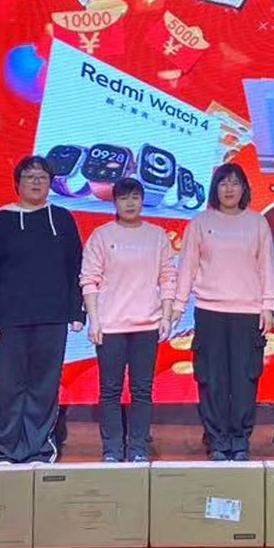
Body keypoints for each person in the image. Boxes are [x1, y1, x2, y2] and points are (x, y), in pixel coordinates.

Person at [0, 156, 84, 463]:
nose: (36, 182)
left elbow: (77, 266)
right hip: (9, 322)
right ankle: (4, 451)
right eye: (29, 176)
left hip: (53, 320)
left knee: (44, 387)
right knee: (8, 387)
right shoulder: (2, 219)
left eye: (42, 177)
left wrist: (77, 312)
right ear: (17, 183)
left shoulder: (62, 218)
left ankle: (39, 449)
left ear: (51, 183)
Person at [174, 163, 274, 462]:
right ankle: (217, 439)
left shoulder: (257, 223)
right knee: (212, 379)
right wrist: (178, 307)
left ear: (244, 188)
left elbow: (266, 266)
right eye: (223, 183)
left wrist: (268, 306)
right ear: (214, 188)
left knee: (245, 379)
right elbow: (187, 267)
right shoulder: (200, 223)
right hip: (210, 311)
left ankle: (240, 438)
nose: (229, 189)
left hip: (248, 312)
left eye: (235, 183)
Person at [81, 178, 176, 463]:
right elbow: (89, 280)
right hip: (110, 326)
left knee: (142, 390)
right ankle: (112, 449)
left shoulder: (157, 236)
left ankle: (138, 448)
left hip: (147, 325)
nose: (130, 203)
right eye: (124, 198)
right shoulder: (101, 236)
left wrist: (167, 315)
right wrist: (94, 320)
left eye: (135, 197)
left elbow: (168, 278)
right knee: (110, 391)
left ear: (143, 200)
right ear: (114, 203)